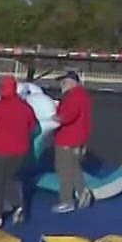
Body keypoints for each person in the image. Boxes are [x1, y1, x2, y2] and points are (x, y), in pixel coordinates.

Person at [0, 75, 37, 230]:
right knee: (10, 180)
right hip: (19, 152)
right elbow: (32, 125)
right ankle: (18, 206)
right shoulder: (25, 108)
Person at [52, 71, 93, 212]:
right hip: (78, 137)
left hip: (67, 139)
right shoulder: (82, 95)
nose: (61, 85)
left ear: (71, 81)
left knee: (64, 170)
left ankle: (67, 201)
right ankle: (82, 191)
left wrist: (56, 118)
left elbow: (68, 116)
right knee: (74, 167)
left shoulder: (73, 96)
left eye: (63, 81)